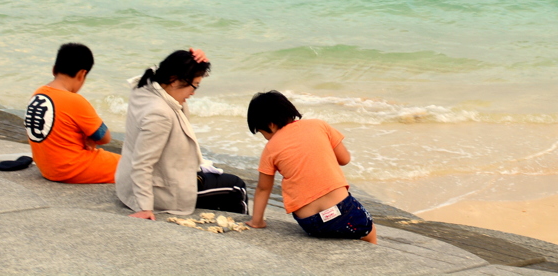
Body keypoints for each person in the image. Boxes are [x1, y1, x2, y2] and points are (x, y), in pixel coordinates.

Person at [115, 49, 247, 220]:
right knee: (237, 188)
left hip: (138, 181)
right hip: (163, 190)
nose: (194, 92)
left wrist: (194, 61)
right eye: (194, 85)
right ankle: (238, 232)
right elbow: (142, 163)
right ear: (173, 80)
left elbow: (160, 68)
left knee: (216, 182)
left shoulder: (146, 85)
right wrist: (145, 207)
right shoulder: (159, 114)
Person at [245, 90, 376, 243]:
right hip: (342, 211)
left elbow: (263, 188)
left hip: (310, 221)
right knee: (369, 231)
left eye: (262, 133)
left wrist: (257, 221)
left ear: (271, 125)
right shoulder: (318, 125)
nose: (266, 138)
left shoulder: (270, 149)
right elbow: (344, 159)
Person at [24, 42, 120, 184]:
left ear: (54, 70)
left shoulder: (38, 94)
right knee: (131, 166)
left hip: (46, 168)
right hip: (71, 168)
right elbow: (105, 138)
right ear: (82, 74)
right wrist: (90, 137)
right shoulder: (74, 100)